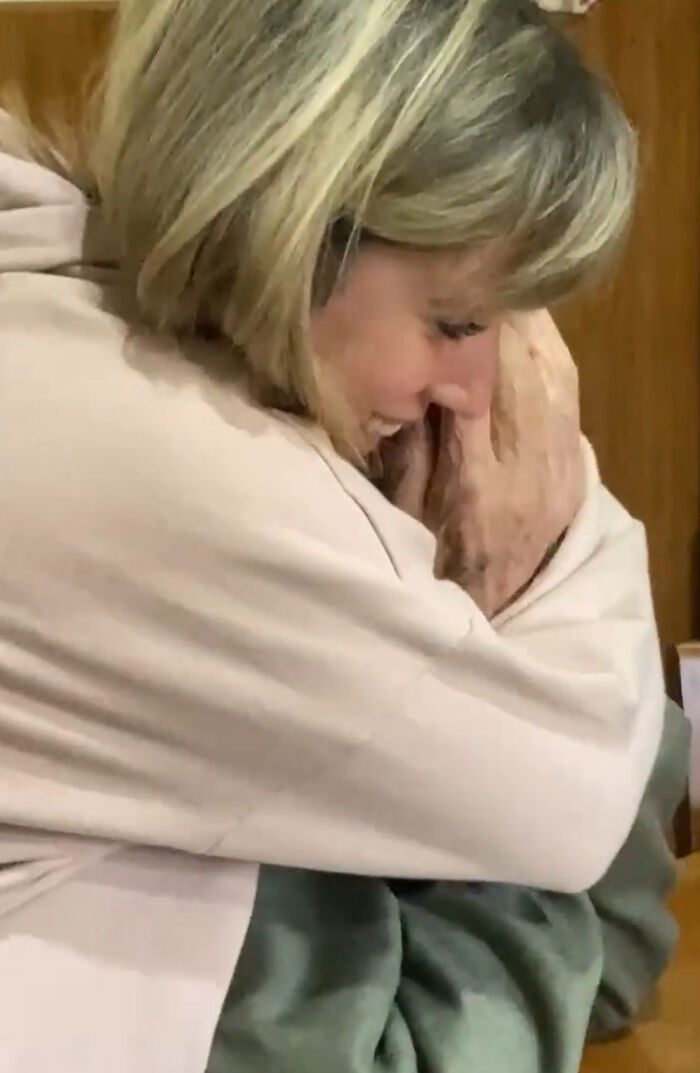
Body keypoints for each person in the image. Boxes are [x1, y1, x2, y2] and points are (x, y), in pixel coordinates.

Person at [0, 1, 672, 1071]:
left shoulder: (66, 299)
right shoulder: (178, 461)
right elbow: (581, 819)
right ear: (288, 213)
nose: (481, 386)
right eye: (455, 321)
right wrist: (555, 531)